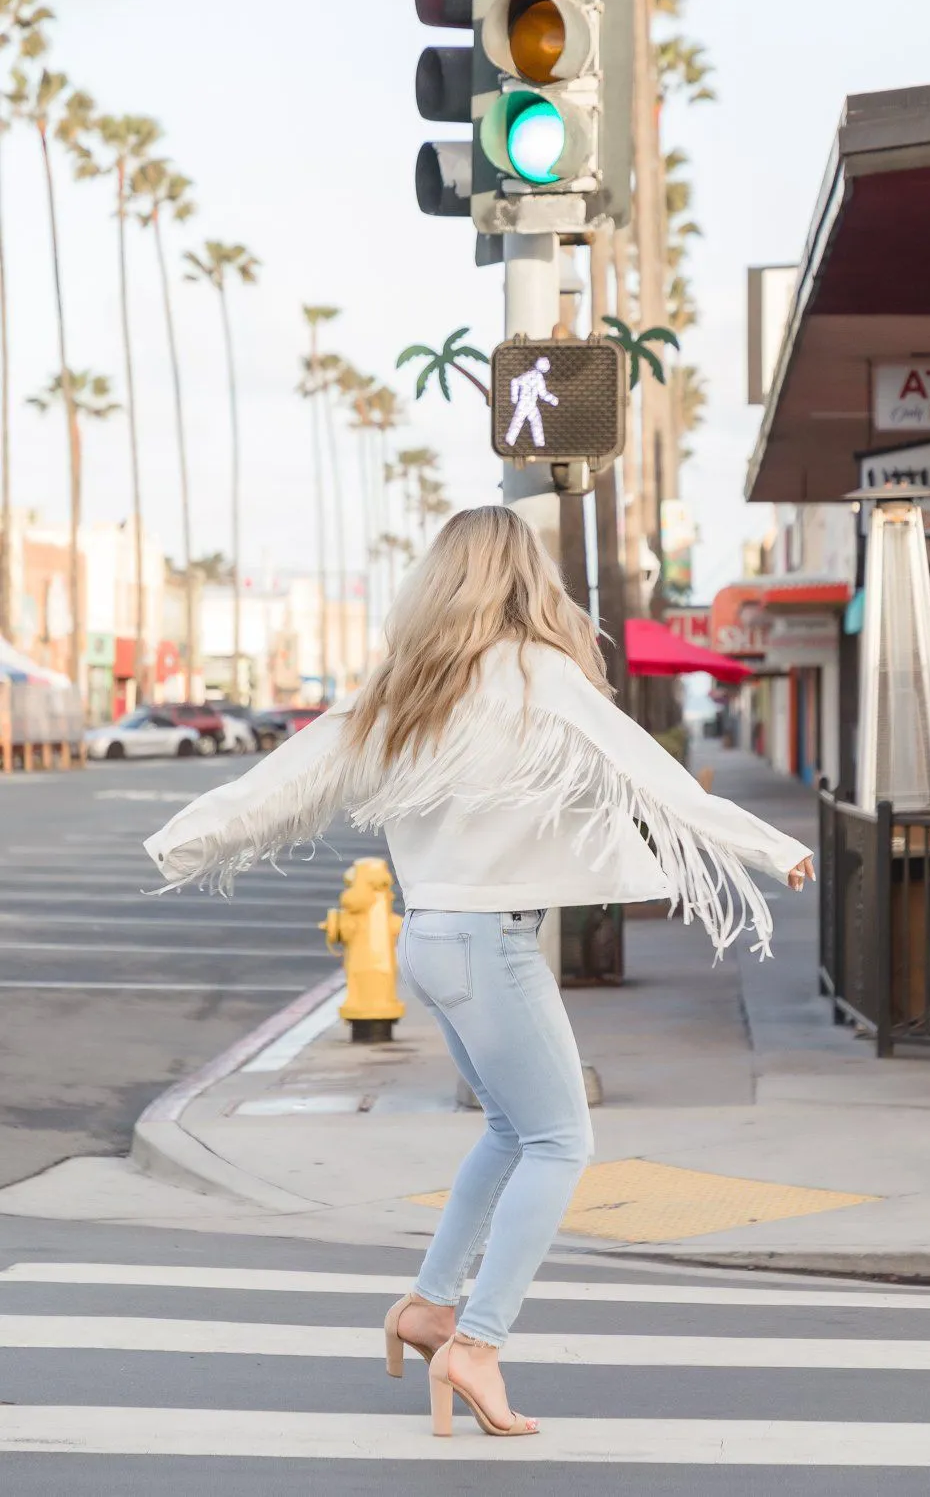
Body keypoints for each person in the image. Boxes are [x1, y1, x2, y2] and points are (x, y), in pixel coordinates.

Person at [144, 504, 814, 1441]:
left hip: (433, 938)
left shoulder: (404, 686)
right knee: (560, 1142)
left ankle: (428, 1308)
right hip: (490, 943)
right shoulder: (537, 675)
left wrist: (186, 836)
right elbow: (650, 777)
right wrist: (768, 846)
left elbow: (288, 776)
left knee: (509, 1130)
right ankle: (478, 1344)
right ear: (522, 578)